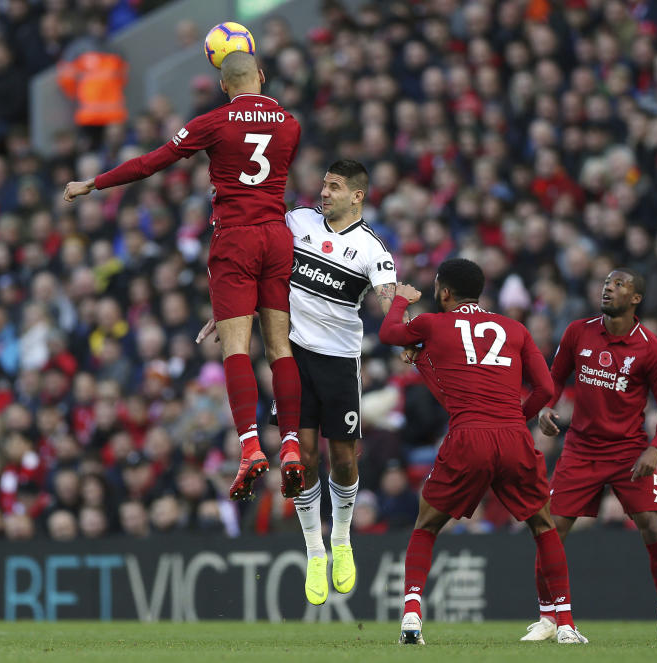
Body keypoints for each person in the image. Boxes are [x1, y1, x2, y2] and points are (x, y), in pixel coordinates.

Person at [63, 51, 304, 500]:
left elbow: (151, 162)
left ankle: (251, 446)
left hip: (236, 238)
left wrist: (93, 183)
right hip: (276, 235)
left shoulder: (213, 122)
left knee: (236, 346)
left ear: (223, 85)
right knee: (279, 347)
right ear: (263, 77)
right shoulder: (290, 123)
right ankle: (291, 445)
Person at [378, 259, 587, 645]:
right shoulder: (515, 328)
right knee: (543, 526)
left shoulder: (432, 324)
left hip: (467, 437)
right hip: (512, 436)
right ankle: (567, 624)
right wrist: (515, 419)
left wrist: (400, 301)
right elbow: (544, 390)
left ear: (444, 293)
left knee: (426, 526)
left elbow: (390, 332)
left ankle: (411, 617)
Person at [533, 268, 657, 642]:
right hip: (581, 449)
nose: (608, 288)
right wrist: (546, 407)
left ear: (635, 299)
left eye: (619, 285)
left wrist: (654, 449)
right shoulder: (577, 331)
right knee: (549, 530)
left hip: (629, 452)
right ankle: (548, 618)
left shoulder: (652, 349)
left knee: (654, 526)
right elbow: (554, 377)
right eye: (606, 283)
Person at [281, 160, 397, 605]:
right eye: (324, 184)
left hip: (339, 361)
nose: (323, 192)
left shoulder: (372, 249)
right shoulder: (298, 221)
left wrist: (405, 322)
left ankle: (342, 539)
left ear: (357, 196)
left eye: (334, 187)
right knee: (303, 457)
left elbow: (389, 303)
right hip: (292, 355)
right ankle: (315, 550)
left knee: (343, 460)